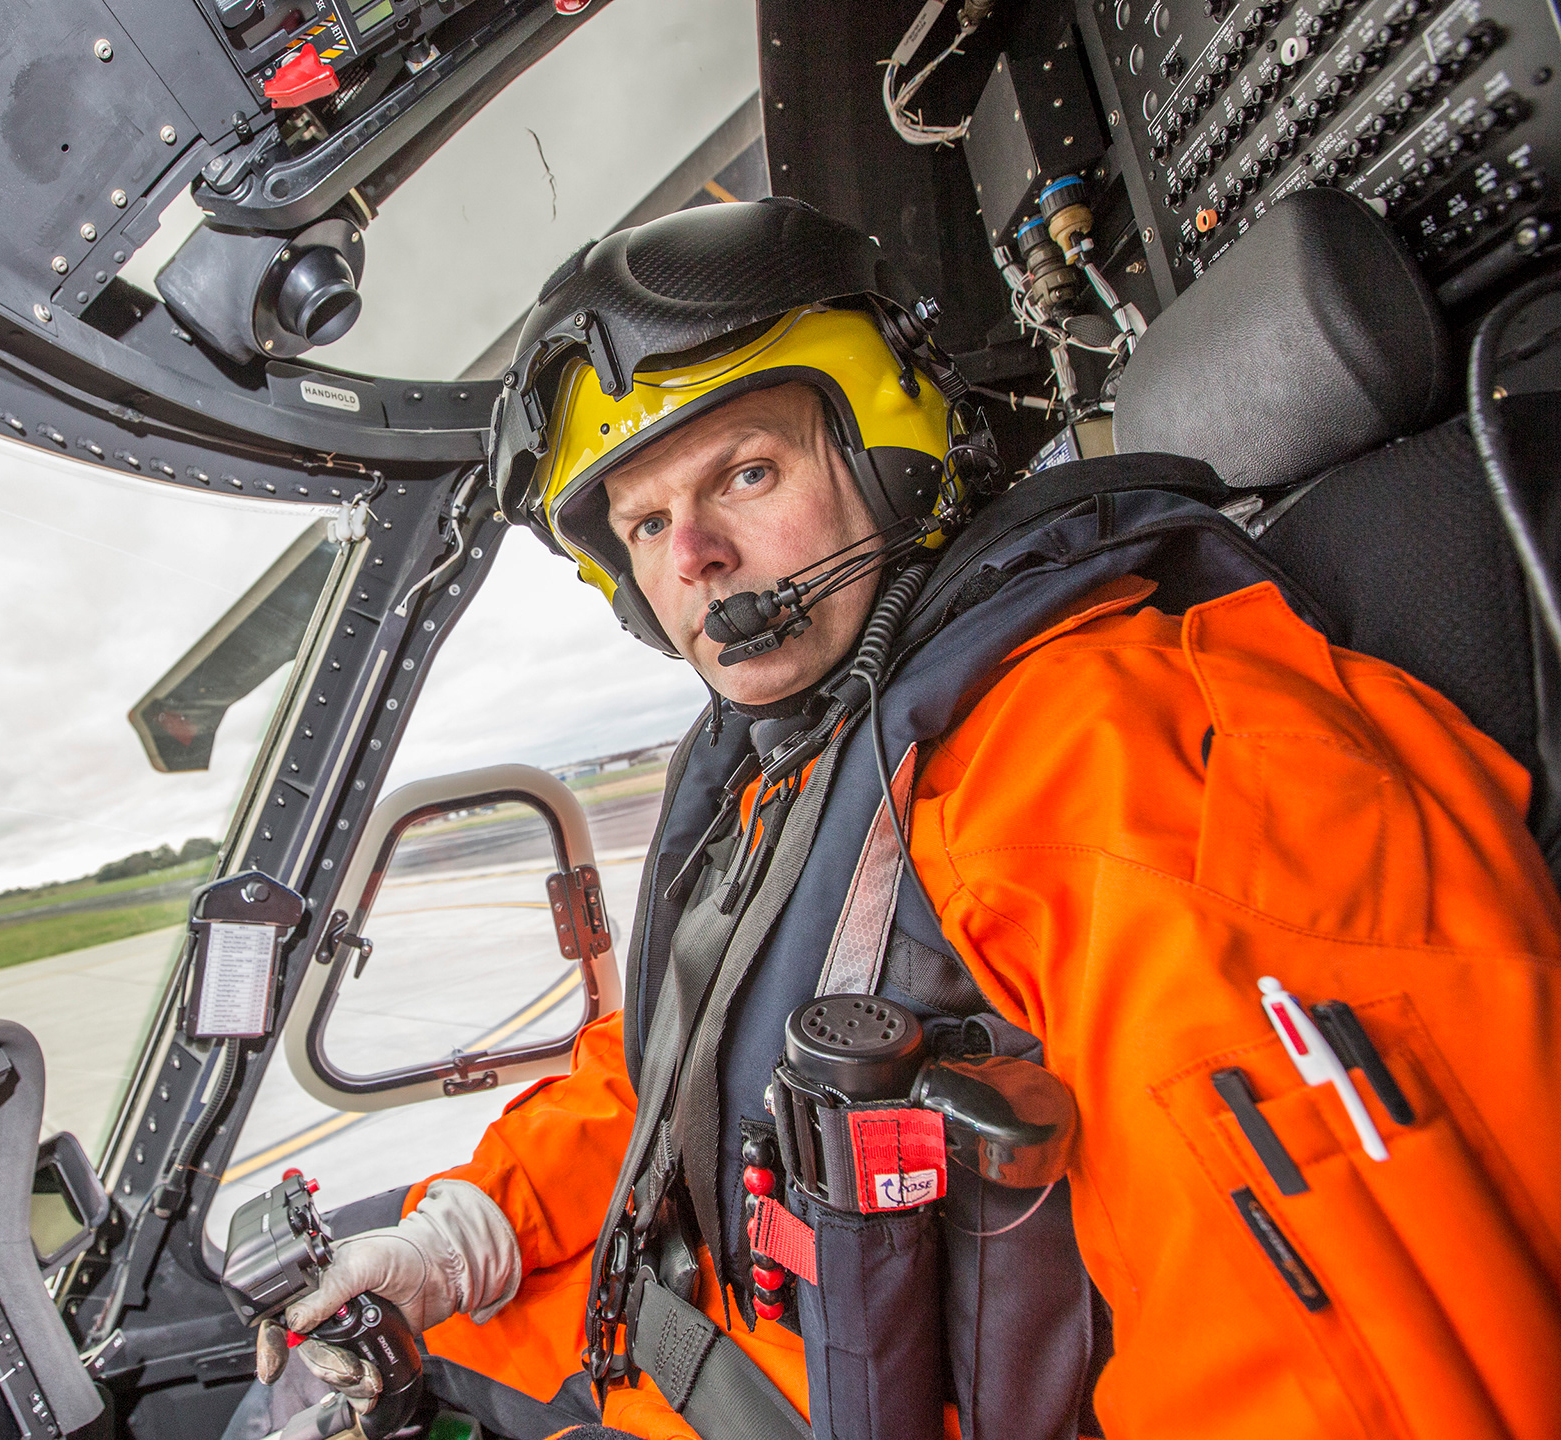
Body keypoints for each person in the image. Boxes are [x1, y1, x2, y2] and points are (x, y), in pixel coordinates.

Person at [240, 200, 1561, 1440]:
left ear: (891, 453)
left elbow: (1359, 1370)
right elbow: (673, 1060)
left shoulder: (1106, 765)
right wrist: (461, 1230)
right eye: (644, 522)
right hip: (708, 1347)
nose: (691, 555)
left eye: (746, 473)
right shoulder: (805, 760)